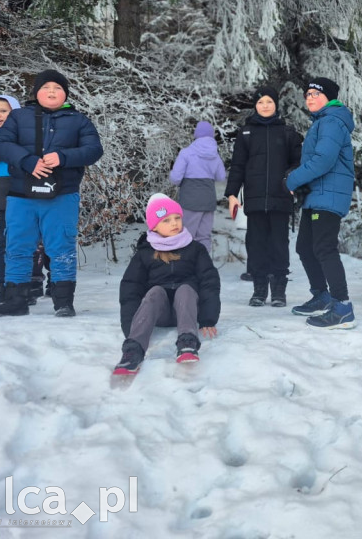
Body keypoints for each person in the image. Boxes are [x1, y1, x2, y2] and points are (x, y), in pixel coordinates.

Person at [0, 70, 103, 317]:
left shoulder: (79, 120)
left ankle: (63, 302)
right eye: (46, 87)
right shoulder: (18, 117)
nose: (51, 91)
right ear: (36, 92)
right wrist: (27, 161)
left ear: (65, 94)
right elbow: (0, 144)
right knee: (16, 246)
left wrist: (63, 157)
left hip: (62, 195)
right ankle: (15, 301)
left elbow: (94, 150)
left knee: (62, 246)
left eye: (58, 88)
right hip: (20, 194)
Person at [114, 194, 220, 374]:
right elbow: (130, 288)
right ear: (154, 226)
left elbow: (209, 281)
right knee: (155, 291)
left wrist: (208, 318)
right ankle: (133, 350)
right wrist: (131, 325)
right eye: (166, 220)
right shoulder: (144, 253)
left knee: (185, 289)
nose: (174, 223)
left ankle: (187, 342)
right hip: (159, 313)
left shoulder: (195, 249)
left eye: (177, 218)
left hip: (187, 310)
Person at [286, 78, 357, 329]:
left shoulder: (332, 121)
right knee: (305, 248)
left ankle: (342, 307)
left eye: (316, 93)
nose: (310, 98)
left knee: (324, 249)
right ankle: (321, 296)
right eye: (307, 94)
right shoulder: (323, 122)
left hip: (329, 195)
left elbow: (323, 160)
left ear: (329, 97)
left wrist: (292, 180)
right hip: (317, 195)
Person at [0, 94, 48, 306]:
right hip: (2, 194)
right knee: (7, 241)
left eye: (3, 110)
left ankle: (32, 283)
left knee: (33, 240)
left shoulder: (30, 134)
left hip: (28, 190)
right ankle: (1, 286)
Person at [225, 87, 303, 307]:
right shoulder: (246, 133)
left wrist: (291, 180)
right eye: (261, 102)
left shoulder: (288, 132)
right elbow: (238, 165)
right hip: (255, 199)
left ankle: (279, 290)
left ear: (276, 104)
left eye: (269, 101)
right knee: (256, 245)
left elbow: (298, 163)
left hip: (281, 198)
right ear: (255, 105)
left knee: (279, 244)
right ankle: (259, 290)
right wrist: (232, 193)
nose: (265, 105)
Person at [170, 121, 226, 254]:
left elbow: (175, 177)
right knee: (204, 236)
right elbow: (221, 177)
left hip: (190, 200)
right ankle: (204, 267)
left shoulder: (186, 153)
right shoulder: (215, 155)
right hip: (208, 200)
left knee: (186, 235)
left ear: (196, 135)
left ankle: (185, 266)